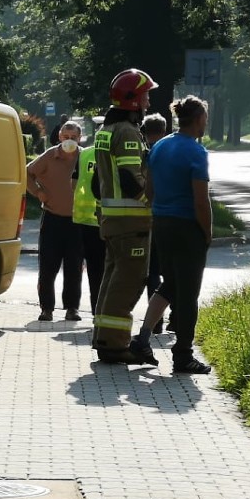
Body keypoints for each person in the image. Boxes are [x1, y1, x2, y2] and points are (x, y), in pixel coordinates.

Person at [134, 96, 213, 374]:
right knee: (188, 294)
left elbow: (150, 191)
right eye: (205, 117)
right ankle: (183, 356)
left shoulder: (160, 147)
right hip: (187, 227)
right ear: (199, 119)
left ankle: (142, 338)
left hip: (162, 225)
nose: (206, 122)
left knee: (169, 285)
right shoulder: (196, 152)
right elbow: (201, 201)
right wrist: (207, 232)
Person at [91, 69, 158, 365]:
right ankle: (115, 345)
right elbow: (131, 181)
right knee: (128, 282)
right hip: (132, 223)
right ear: (133, 99)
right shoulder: (128, 133)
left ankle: (103, 338)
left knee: (111, 279)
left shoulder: (105, 132)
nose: (148, 100)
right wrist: (151, 203)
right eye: (145, 94)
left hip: (111, 221)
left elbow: (97, 183)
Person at [26, 120, 83, 322]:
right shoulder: (50, 155)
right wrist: (37, 192)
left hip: (77, 220)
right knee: (48, 266)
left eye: (73, 138)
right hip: (52, 218)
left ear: (80, 138)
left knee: (74, 267)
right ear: (59, 137)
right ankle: (46, 309)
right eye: (66, 137)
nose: (69, 141)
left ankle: (72, 308)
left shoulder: (84, 157)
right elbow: (27, 173)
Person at [140, 113, 171, 334]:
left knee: (151, 272)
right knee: (171, 273)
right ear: (164, 130)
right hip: (168, 216)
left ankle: (155, 322)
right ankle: (174, 318)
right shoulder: (169, 151)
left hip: (145, 217)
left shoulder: (142, 153)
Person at [71, 144, 105, 315]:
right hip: (112, 218)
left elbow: (73, 183)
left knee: (94, 270)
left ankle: (96, 312)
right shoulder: (117, 151)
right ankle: (109, 312)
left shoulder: (84, 154)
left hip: (86, 220)